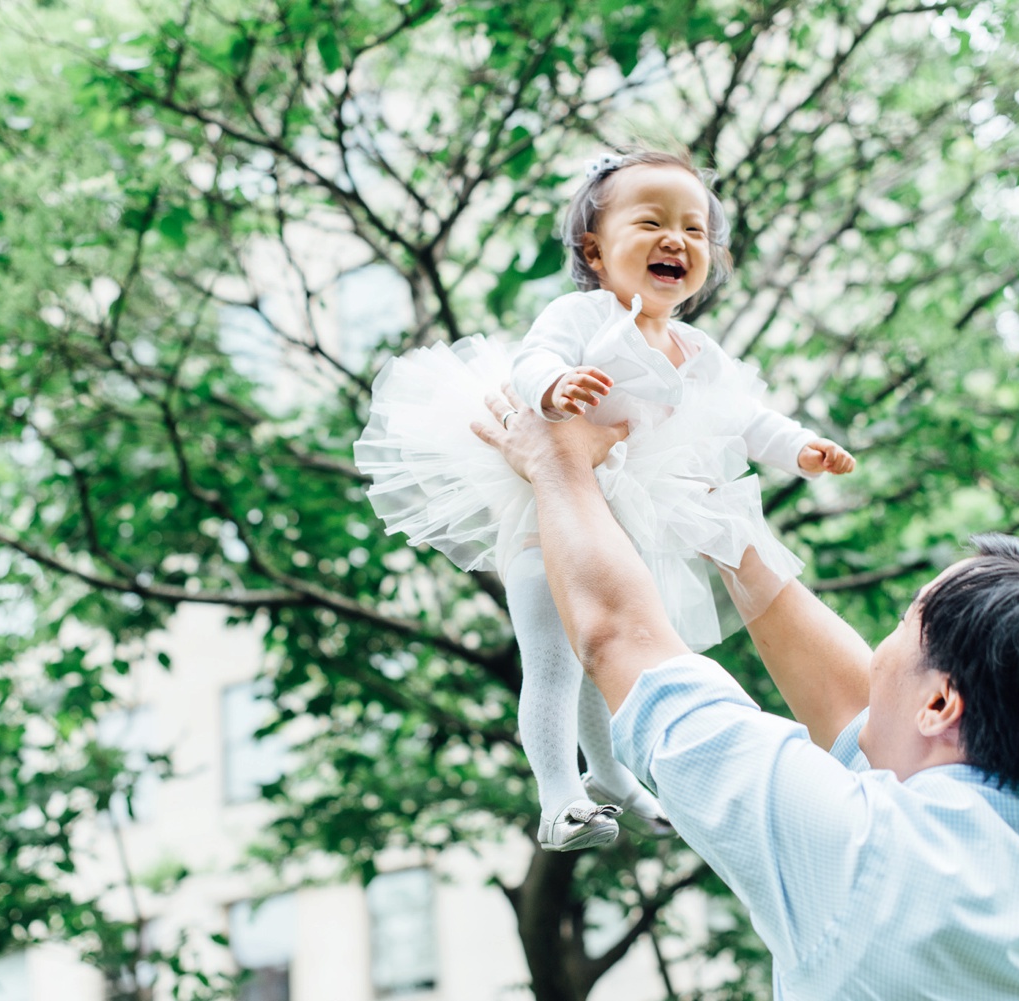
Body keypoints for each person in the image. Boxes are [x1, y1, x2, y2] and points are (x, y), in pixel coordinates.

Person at [469, 390, 1019, 999]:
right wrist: (717, 517)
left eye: (905, 621)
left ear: (939, 704)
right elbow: (861, 717)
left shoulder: (863, 855)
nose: (878, 656)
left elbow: (621, 637)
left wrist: (554, 460)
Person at [356, 147, 854, 852]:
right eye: (651, 222)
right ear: (595, 249)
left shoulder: (697, 348)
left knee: (607, 652)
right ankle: (558, 796)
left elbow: (746, 415)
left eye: (694, 229)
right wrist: (553, 389)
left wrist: (800, 448)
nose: (675, 239)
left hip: (632, 521)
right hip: (549, 512)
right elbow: (534, 360)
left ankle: (614, 775)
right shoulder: (582, 314)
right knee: (555, 656)